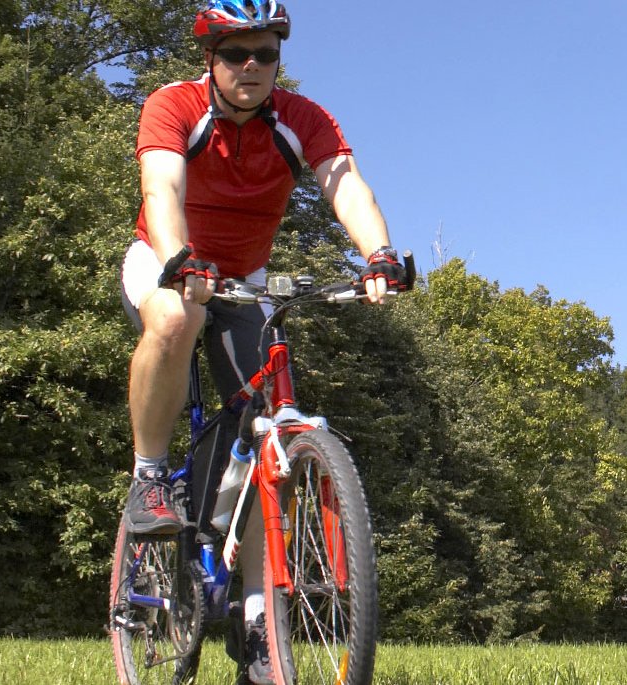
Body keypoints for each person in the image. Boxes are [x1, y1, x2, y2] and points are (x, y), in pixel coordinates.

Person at [117, 2, 404, 682]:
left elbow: (345, 184)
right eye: (235, 53)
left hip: (243, 278)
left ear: (280, 59)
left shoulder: (301, 121)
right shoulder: (174, 106)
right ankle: (150, 477)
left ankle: (255, 624)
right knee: (174, 321)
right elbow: (161, 186)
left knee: (268, 427)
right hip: (165, 259)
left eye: (264, 54)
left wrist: (380, 254)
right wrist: (180, 259)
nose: (250, 67)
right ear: (210, 57)